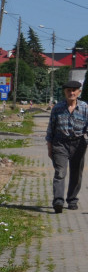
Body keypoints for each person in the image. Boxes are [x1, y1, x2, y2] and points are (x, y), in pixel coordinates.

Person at [46, 80, 88, 213]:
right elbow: (50, 129)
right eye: (68, 90)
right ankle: (58, 201)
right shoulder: (57, 108)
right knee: (60, 172)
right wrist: (49, 147)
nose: (71, 92)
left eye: (74, 90)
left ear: (79, 92)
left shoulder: (85, 108)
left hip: (79, 143)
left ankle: (72, 199)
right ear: (65, 92)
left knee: (76, 174)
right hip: (60, 143)